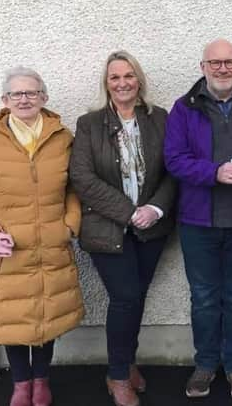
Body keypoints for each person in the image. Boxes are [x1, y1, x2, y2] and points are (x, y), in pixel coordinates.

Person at [0, 67, 84, 406]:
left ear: (44, 97)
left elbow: (75, 188)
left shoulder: (63, 138)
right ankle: (20, 383)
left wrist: (70, 225)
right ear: (4, 101)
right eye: (16, 94)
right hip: (7, 250)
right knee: (14, 319)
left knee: (47, 316)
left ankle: (42, 380)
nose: (24, 99)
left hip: (52, 246)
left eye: (31, 93)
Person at [164, 38, 232, 400]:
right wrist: (215, 172)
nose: (222, 68)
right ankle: (206, 365)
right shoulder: (183, 109)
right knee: (204, 298)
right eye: (215, 63)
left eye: (229, 62)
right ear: (203, 67)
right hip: (197, 222)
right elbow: (174, 160)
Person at [70, 51, 176, 406]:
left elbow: (173, 169)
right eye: (115, 77)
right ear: (107, 83)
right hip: (107, 229)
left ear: (139, 80)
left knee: (136, 298)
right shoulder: (89, 124)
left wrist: (156, 208)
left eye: (128, 75)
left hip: (151, 228)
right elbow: (82, 178)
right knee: (126, 297)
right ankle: (117, 375)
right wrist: (130, 212)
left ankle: (126, 363)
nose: (122, 83)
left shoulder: (159, 118)